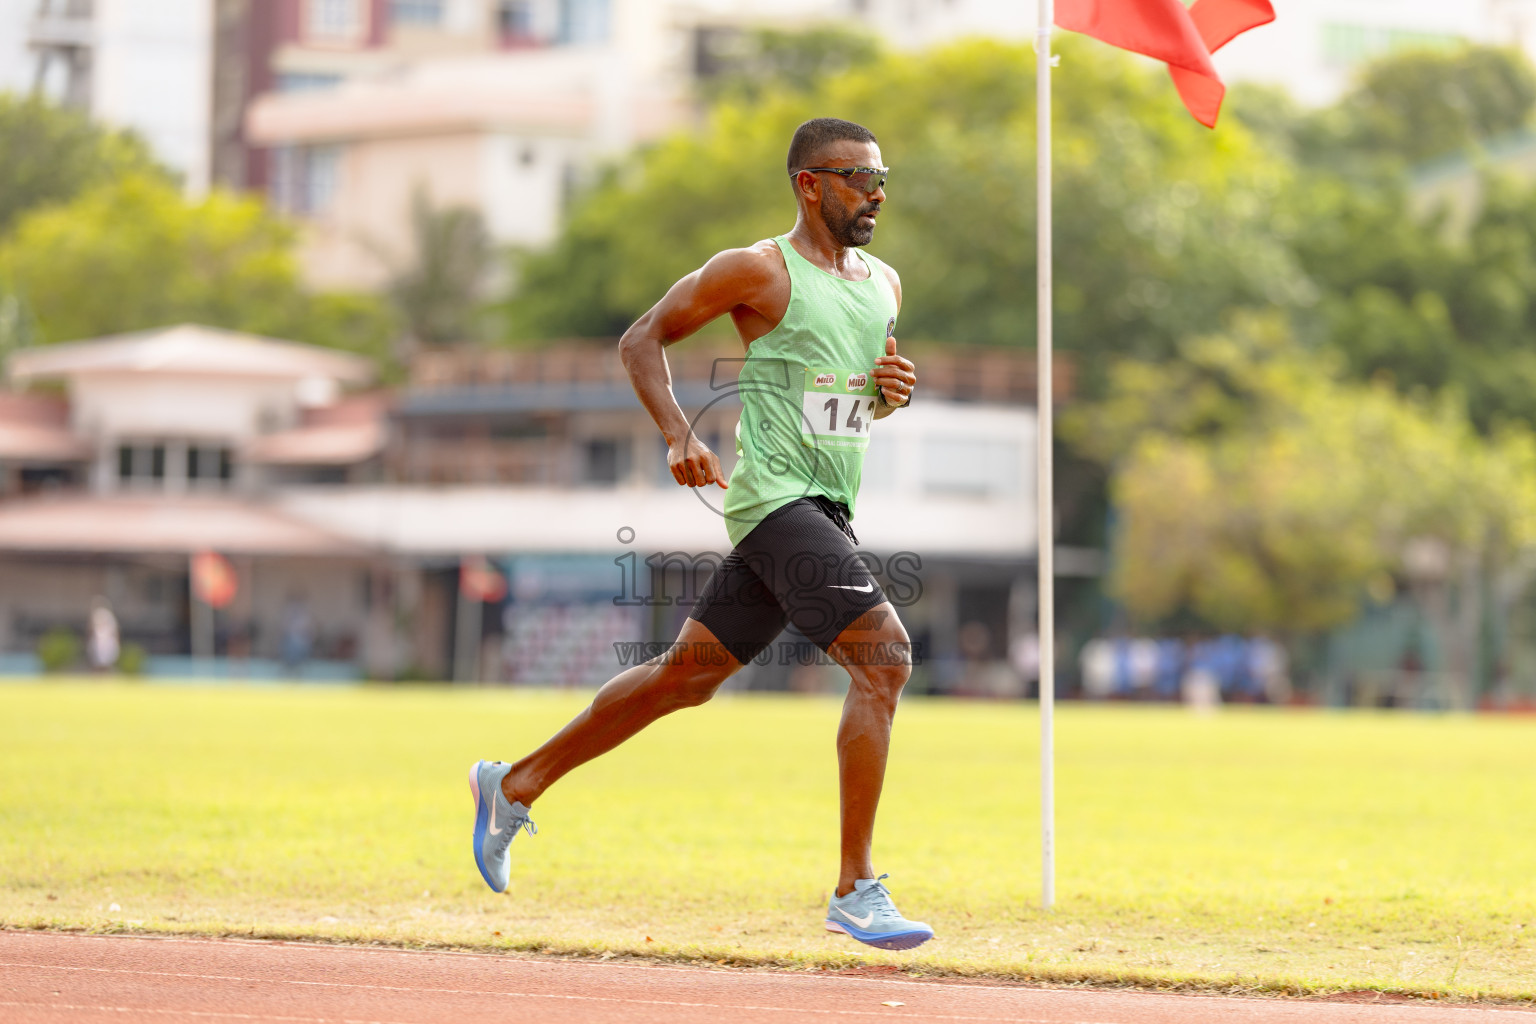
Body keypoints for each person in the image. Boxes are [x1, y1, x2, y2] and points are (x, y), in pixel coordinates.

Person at [469, 117, 930, 950]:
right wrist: (680, 432)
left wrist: (889, 392)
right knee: (885, 657)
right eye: (859, 178)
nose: (877, 193)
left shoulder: (884, 284)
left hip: (826, 504)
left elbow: (854, 396)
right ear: (809, 184)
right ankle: (856, 887)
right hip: (772, 501)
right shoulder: (758, 269)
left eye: (881, 175)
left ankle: (513, 784)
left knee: (683, 680)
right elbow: (641, 338)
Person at [87, 596, 119, 672]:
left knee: (104, 662)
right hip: (99, 640)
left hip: (104, 640)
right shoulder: (100, 615)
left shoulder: (104, 615)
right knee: (99, 662)